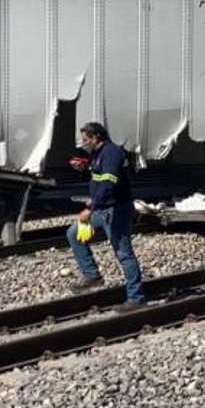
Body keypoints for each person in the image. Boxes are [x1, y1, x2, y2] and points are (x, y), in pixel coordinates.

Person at [65, 122, 147, 310]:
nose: (84, 143)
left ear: (96, 138)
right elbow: (98, 178)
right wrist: (84, 170)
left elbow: (109, 183)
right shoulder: (97, 154)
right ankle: (92, 275)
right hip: (102, 210)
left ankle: (136, 298)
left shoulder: (112, 153)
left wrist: (91, 207)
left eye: (86, 140)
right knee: (74, 234)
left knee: (124, 253)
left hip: (115, 211)